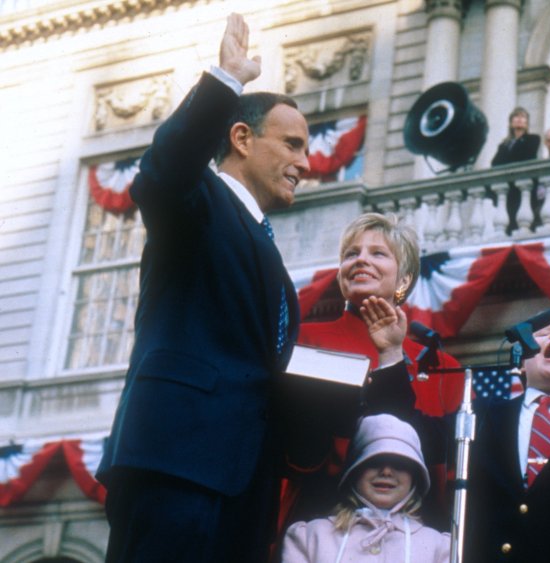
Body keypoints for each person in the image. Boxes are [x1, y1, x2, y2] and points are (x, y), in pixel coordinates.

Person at [97, 13, 308, 562]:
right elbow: (163, 169)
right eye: (290, 144)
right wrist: (225, 81)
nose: (304, 163)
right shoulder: (195, 202)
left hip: (245, 489)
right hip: (177, 468)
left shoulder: (270, 255)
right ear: (240, 137)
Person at [361, 306, 550, 562]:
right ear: (520, 364)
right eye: (542, 335)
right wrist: (391, 352)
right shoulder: (482, 415)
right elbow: (408, 433)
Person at [280, 212, 463, 531]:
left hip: (415, 527)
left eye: (377, 253)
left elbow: (448, 472)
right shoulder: (303, 340)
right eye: (352, 254)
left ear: (404, 280)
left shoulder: (443, 367)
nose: (361, 260)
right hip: (319, 520)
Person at [282, 414, 451, 563]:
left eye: (399, 464)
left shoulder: (440, 548)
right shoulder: (310, 537)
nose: (386, 472)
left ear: (414, 477)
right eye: (374, 461)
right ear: (354, 471)